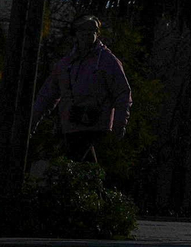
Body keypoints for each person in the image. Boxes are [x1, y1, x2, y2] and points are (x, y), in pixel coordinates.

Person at [31, 15, 132, 166]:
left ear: (97, 34)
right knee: (83, 168)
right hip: (70, 125)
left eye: (92, 30)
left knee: (73, 164)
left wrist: (120, 124)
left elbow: (122, 92)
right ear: (76, 34)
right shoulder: (65, 65)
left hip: (95, 125)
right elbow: (47, 95)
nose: (88, 34)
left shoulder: (107, 61)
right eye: (83, 30)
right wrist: (32, 121)